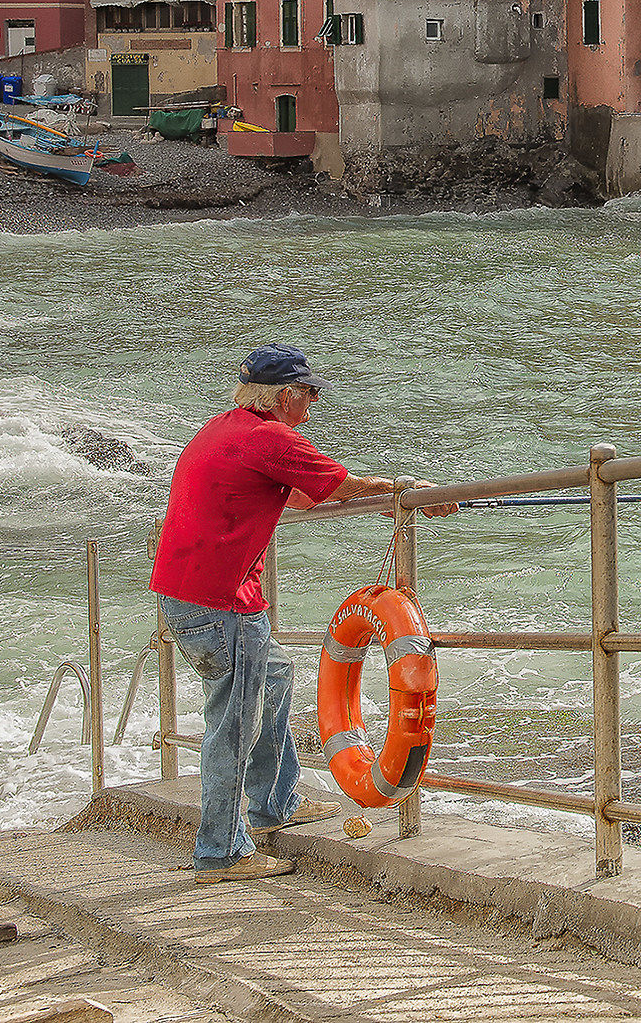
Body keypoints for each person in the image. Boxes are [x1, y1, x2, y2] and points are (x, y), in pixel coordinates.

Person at [149, 343, 450, 884]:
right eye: (309, 392)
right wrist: (408, 492)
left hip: (188, 595)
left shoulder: (224, 429)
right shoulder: (269, 437)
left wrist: (383, 494)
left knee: (277, 675)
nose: (313, 401)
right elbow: (342, 484)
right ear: (284, 396)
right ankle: (219, 852)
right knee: (233, 725)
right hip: (220, 604)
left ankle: (274, 802)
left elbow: (305, 498)